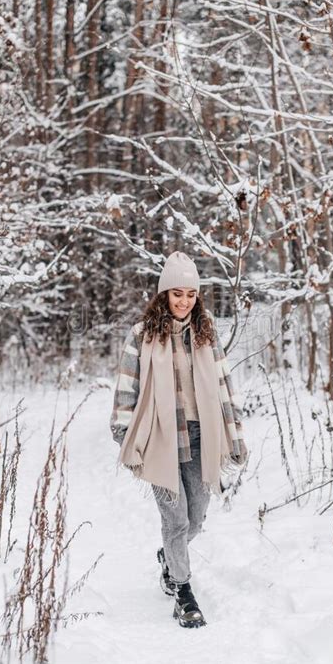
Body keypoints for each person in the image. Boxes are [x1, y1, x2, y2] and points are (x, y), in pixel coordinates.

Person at [110, 251, 248, 629]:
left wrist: (235, 435)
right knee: (175, 520)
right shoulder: (141, 335)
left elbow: (224, 386)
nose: (184, 301)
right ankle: (183, 593)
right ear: (163, 295)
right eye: (176, 294)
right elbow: (127, 387)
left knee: (196, 517)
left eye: (191, 294)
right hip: (160, 437)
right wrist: (125, 433)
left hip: (203, 436)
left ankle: (170, 558)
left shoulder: (205, 334)